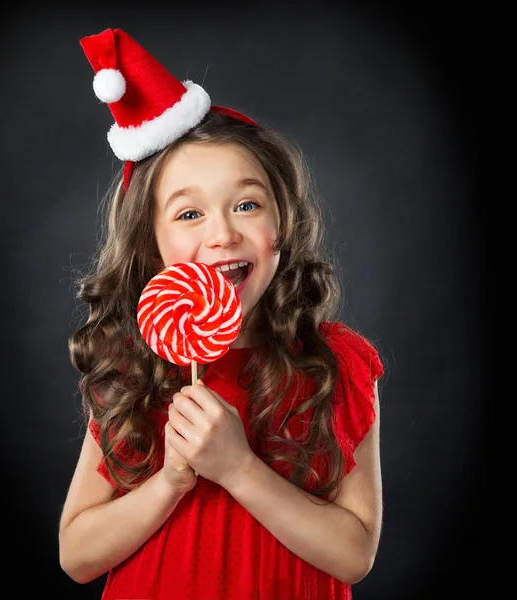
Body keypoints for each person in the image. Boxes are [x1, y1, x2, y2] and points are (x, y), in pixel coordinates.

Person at [59, 26, 385, 600]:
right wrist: (171, 482)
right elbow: (77, 556)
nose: (223, 233)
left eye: (246, 204)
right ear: (152, 244)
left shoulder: (335, 364)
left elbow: (354, 555)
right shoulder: (135, 367)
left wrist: (237, 468)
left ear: (280, 226)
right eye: (189, 215)